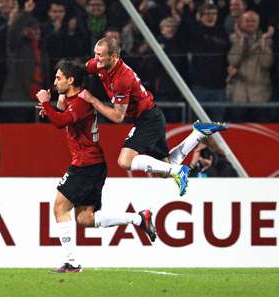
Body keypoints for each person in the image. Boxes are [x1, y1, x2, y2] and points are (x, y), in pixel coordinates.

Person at [35, 60, 156, 273]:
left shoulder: (81, 101)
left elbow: (61, 122)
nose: (55, 82)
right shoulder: (74, 98)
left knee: (59, 207)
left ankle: (71, 262)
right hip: (92, 164)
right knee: (85, 218)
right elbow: (62, 116)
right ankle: (138, 218)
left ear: (71, 80)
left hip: (86, 164)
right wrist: (52, 108)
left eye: (59, 77)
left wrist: (46, 103)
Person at [79, 37, 228, 196]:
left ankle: (178, 170)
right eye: (95, 54)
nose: (96, 58)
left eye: (100, 55)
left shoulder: (122, 78)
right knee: (164, 170)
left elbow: (118, 117)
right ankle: (197, 134)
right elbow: (82, 69)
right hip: (150, 117)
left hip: (148, 119)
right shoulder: (100, 64)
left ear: (114, 57)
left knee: (125, 161)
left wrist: (92, 100)